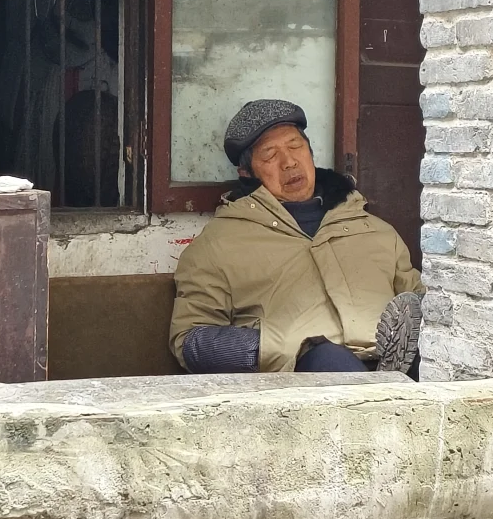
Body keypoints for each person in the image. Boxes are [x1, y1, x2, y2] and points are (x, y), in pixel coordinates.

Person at [170, 99, 424, 378]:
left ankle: (389, 376)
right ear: (247, 174)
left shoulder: (376, 231)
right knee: (329, 359)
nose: (289, 162)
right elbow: (190, 341)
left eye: (295, 146)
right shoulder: (218, 244)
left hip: (390, 360)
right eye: (270, 155)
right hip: (302, 378)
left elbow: (418, 301)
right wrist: (280, 349)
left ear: (311, 153)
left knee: (428, 352)